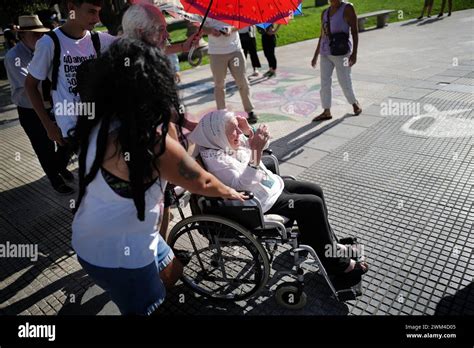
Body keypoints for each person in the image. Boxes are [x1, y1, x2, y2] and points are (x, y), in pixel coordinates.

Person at [71, 38, 247, 315]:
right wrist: (230, 192)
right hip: (116, 253)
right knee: (149, 303)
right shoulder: (147, 142)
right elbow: (200, 181)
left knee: (172, 269)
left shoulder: (101, 125)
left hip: (99, 236)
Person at [189, 110, 369, 280]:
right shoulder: (216, 159)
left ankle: (323, 242)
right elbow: (241, 185)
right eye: (233, 130)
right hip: (258, 201)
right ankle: (335, 264)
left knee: (315, 190)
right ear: (218, 135)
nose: (237, 133)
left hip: (269, 186)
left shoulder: (225, 141)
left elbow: (261, 146)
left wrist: (249, 132)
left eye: (237, 127)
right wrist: (255, 151)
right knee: (312, 204)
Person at [24, 0, 117, 152]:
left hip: (102, 122)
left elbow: (133, 45)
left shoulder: (98, 39)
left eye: (99, 12)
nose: (97, 19)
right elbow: (30, 85)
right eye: (91, 11)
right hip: (73, 128)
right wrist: (48, 126)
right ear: (71, 8)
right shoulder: (49, 43)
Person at [4, 15, 74, 194]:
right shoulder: (14, 57)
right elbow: (33, 87)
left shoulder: (45, 49)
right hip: (30, 110)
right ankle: (55, 178)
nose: (39, 37)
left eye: (41, 34)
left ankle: (59, 167)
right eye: (34, 34)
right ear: (22, 36)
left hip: (53, 105)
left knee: (67, 141)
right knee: (44, 147)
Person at [311, 0, 362, 121]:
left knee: (344, 79)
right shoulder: (325, 12)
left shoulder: (347, 8)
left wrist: (354, 53)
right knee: (324, 82)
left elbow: (354, 31)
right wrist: (315, 55)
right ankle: (326, 110)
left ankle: (354, 103)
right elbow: (322, 35)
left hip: (342, 53)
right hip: (325, 53)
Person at [203, 18, 259, 124]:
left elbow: (241, 23)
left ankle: (250, 111)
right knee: (219, 84)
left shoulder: (232, 4)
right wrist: (211, 31)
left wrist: (231, 29)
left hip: (235, 51)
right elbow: (201, 28)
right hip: (216, 54)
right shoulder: (206, 7)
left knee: (242, 80)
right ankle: (222, 115)